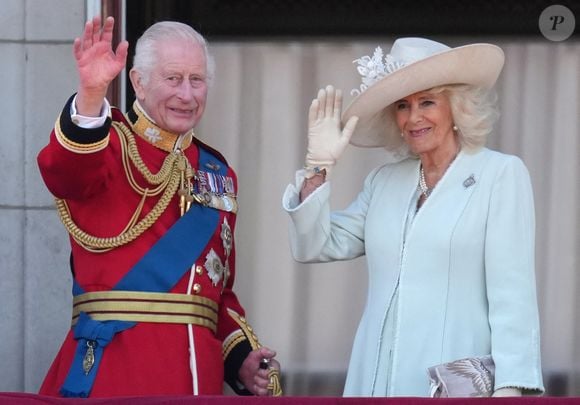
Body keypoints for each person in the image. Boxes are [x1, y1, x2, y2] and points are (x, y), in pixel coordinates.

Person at [282, 37, 544, 397]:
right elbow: (318, 243)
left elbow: (513, 295)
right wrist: (318, 167)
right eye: (403, 106)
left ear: (456, 107)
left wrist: (510, 389)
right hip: (375, 380)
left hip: (454, 384)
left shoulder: (499, 175)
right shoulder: (385, 181)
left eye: (427, 102)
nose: (414, 117)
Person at [37, 16, 281, 398]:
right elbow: (64, 172)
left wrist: (242, 360)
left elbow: (216, 294)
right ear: (138, 82)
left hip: (198, 382)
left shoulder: (217, 172)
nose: (187, 94)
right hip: (116, 373)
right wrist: (89, 96)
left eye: (196, 80)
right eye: (173, 78)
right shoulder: (109, 146)